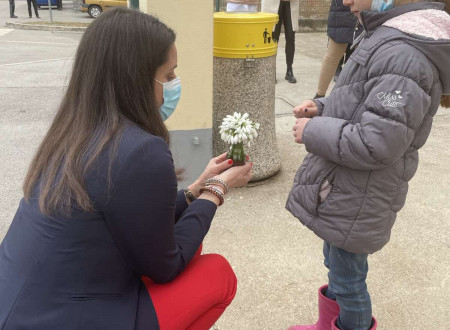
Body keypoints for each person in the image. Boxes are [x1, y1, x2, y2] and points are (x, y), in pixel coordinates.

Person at [0, 8, 253, 329]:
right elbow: (167, 265)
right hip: (65, 316)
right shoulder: (140, 149)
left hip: (24, 303)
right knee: (217, 274)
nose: (174, 84)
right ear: (137, 78)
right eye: (169, 74)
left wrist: (195, 189)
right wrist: (216, 191)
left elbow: (131, 213)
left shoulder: (74, 130)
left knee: (190, 238)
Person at [287, 0, 450, 329]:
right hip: (347, 186)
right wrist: (321, 107)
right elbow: (363, 99)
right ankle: (328, 324)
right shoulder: (387, 36)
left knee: (348, 280)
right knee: (336, 263)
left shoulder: (406, 58)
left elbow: (378, 142)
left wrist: (312, 131)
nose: (345, 1)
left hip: (362, 192)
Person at [314, 0, 361, 98]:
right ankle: (319, 96)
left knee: (361, 57)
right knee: (333, 54)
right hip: (342, 9)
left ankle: (353, 97)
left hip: (367, 8)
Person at [262, 0, 299, 83]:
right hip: (272, 3)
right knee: (273, 38)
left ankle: (289, 70)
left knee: (290, 36)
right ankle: (271, 71)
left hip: (290, 3)